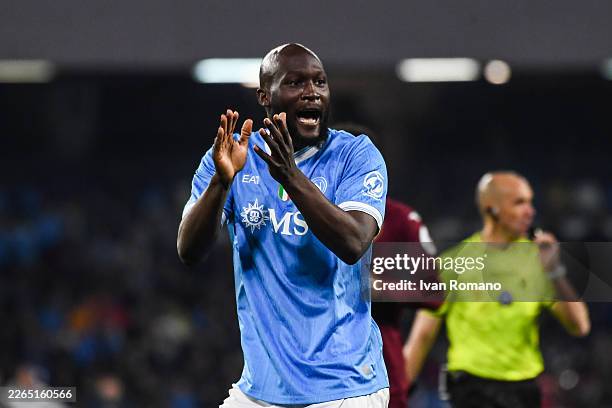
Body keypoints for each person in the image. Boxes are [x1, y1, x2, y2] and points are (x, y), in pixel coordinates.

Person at [177, 44, 390, 406]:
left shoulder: (355, 155)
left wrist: (290, 176)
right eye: (295, 82)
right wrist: (221, 183)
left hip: (345, 387)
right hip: (260, 389)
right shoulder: (233, 155)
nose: (312, 91)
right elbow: (188, 250)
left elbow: (354, 242)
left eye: (319, 82)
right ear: (265, 96)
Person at [403, 171, 591, 408]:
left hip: (523, 388)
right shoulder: (454, 263)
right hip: (471, 386)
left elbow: (579, 326)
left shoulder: (538, 261)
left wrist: (554, 271)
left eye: (530, 202)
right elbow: (422, 336)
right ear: (492, 209)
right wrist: (397, 395)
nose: (530, 211)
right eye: (519, 202)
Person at [335, 122, 440, 408]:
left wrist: (377, 288)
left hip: (381, 371)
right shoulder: (301, 217)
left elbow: (434, 291)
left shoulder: (400, 220)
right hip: (311, 370)